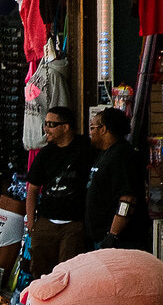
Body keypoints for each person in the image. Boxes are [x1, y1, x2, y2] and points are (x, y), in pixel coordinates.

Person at [25, 105, 98, 275]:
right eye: (45, 123)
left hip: (74, 223)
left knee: (70, 273)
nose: (46, 128)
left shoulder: (87, 147)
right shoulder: (45, 153)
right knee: (41, 273)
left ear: (65, 127)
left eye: (51, 124)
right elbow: (33, 189)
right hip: (45, 221)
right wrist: (31, 223)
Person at [85, 106, 149, 250]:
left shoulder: (122, 155)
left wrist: (113, 234)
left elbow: (127, 199)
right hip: (100, 237)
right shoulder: (105, 153)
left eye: (92, 128)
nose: (90, 133)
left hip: (120, 241)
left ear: (103, 129)